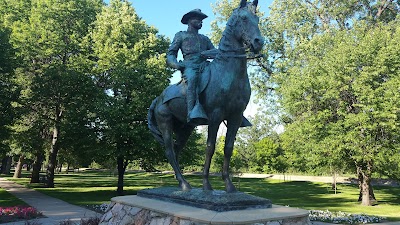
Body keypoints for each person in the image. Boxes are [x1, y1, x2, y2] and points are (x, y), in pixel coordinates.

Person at [166, 9, 215, 125]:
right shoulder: (181, 35)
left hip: (205, 65)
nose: (200, 22)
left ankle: (234, 109)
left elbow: (215, 52)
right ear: (189, 20)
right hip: (190, 65)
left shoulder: (205, 38)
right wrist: (177, 65)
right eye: (197, 19)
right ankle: (191, 112)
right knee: (192, 79)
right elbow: (171, 53)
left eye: (202, 20)